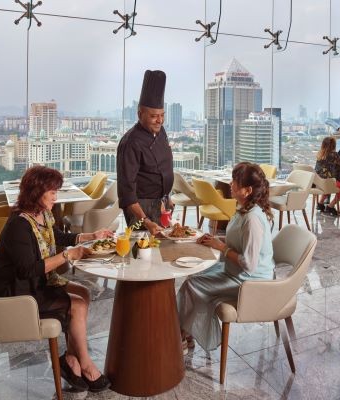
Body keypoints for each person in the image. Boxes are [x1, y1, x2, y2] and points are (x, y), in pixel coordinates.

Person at [0, 166, 112, 393]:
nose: (56, 197)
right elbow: (27, 270)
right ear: (37, 192)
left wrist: (90, 236)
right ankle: (85, 364)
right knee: (77, 304)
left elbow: (58, 236)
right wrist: (67, 255)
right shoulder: (19, 225)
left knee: (83, 293)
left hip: (34, 282)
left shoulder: (42, 214)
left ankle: (70, 359)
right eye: (52, 192)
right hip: (15, 292)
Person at [177, 162, 275, 353]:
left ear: (247, 190)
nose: (230, 184)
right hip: (236, 273)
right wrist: (215, 240)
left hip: (251, 282)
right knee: (194, 277)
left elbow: (249, 264)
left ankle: (181, 336)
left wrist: (221, 247)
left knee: (191, 285)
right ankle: (186, 332)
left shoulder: (252, 219)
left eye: (235, 181)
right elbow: (238, 241)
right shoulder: (244, 210)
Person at [117, 70, 174, 236]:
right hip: (140, 209)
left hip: (162, 204)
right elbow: (127, 193)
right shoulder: (130, 142)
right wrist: (146, 221)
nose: (160, 120)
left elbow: (163, 168)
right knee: (141, 247)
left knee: (164, 247)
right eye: (154, 116)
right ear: (140, 114)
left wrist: (167, 198)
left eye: (162, 115)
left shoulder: (161, 132)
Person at [314, 137, 340, 216]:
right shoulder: (334, 155)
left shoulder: (319, 154)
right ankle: (331, 206)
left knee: (328, 184)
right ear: (333, 145)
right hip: (328, 183)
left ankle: (320, 203)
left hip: (318, 183)